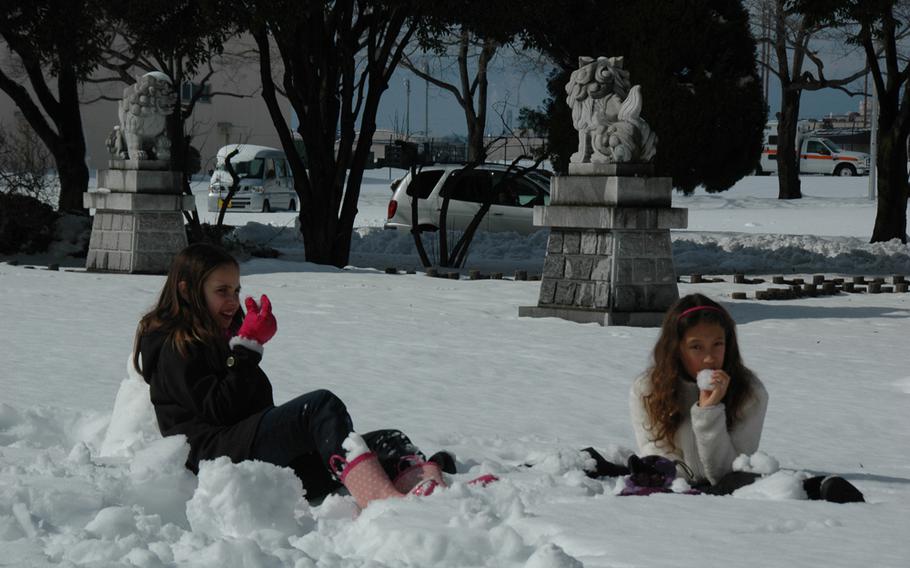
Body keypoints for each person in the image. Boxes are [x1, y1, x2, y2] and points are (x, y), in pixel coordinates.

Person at [133, 243, 452, 509]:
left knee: (384, 439)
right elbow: (220, 409)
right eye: (222, 291)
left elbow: (251, 405)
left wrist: (240, 349)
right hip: (216, 458)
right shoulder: (175, 347)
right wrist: (247, 350)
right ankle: (381, 500)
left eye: (236, 290)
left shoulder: (220, 340)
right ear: (187, 291)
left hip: (252, 454)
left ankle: (424, 485)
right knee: (318, 407)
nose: (232, 301)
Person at [585, 294, 863, 503]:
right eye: (696, 347)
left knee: (746, 480)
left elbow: (725, 470)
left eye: (717, 344)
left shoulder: (750, 392)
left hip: (727, 482)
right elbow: (661, 461)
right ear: (676, 349)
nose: (709, 357)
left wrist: (709, 411)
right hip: (670, 484)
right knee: (603, 465)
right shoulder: (647, 389)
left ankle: (818, 488)